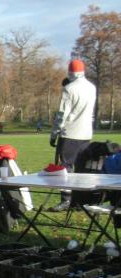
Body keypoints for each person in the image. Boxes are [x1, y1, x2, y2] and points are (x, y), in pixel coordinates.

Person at [48, 60, 97, 212]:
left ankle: (66, 199)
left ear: (70, 72)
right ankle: (79, 200)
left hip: (70, 134)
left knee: (65, 168)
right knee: (81, 168)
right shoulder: (92, 87)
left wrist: (54, 134)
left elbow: (62, 115)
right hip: (86, 133)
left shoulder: (69, 89)